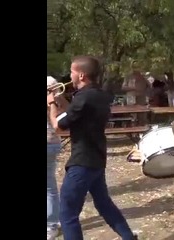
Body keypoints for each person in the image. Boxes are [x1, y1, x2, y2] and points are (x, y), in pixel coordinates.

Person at [47, 55, 138, 240]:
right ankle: (129, 237)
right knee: (104, 204)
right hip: (97, 158)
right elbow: (74, 111)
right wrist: (59, 99)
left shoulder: (83, 97)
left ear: (81, 75)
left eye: (72, 72)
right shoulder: (99, 94)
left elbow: (58, 125)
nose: (69, 76)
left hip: (82, 161)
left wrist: (50, 104)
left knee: (67, 211)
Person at [47, 76, 61, 240]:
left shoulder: (54, 102)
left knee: (49, 187)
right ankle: (52, 223)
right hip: (52, 143)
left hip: (49, 143)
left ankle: (51, 224)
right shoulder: (57, 101)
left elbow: (58, 122)